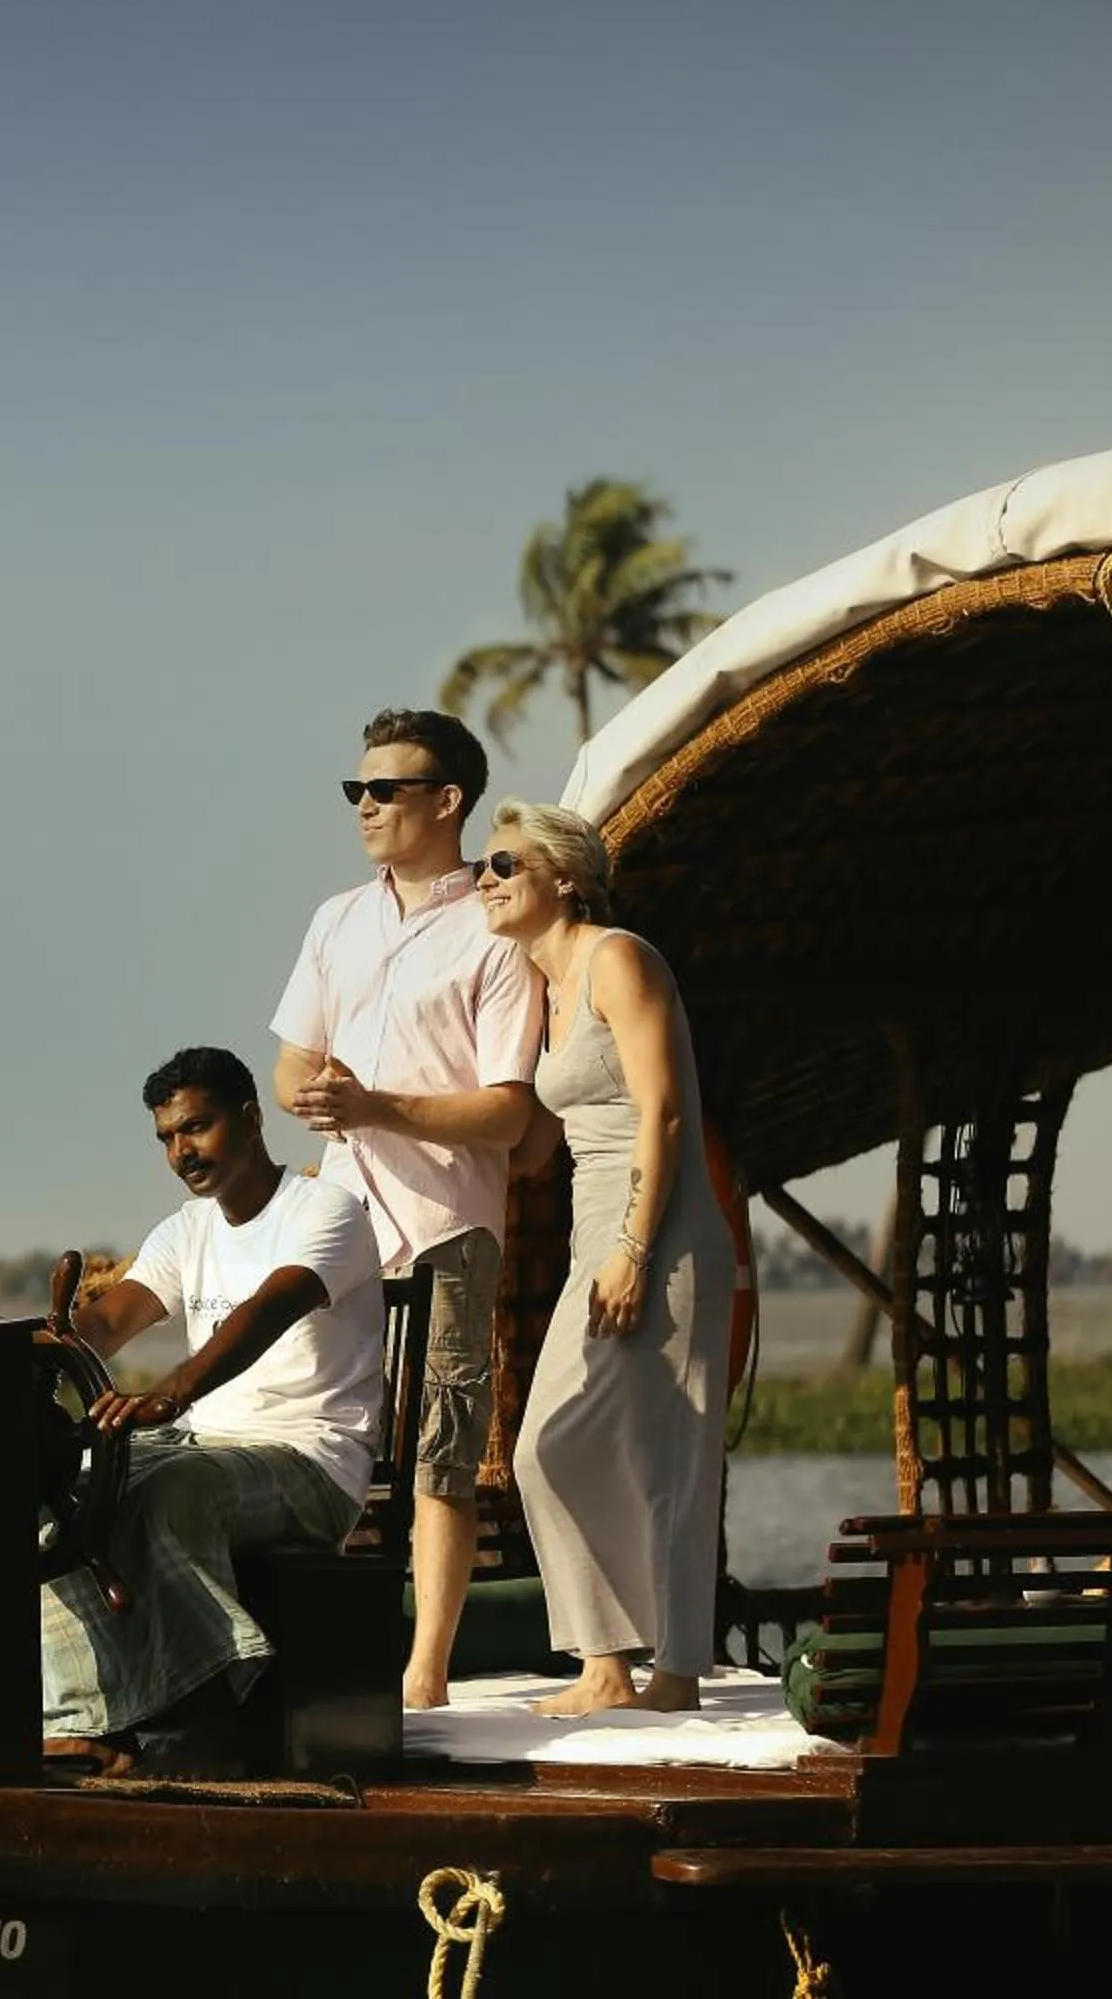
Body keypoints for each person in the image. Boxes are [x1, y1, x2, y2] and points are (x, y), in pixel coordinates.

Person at [270, 709, 544, 1710]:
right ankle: (317, 1655)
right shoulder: (335, 918)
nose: (365, 805)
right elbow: (292, 1058)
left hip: (446, 1228)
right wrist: (309, 1091)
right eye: (356, 789)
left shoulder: (498, 926)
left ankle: (424, 1671)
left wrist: (378, 1103)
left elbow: (511, 1112)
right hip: (338, 1225)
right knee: (319, 1433)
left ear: (447, 800)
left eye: (383, 789)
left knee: (441, 1447)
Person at [37, 1045, 386, 1779]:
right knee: (56, 1494)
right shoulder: (182, 1231)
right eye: (166, 1137)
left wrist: (173, 1393)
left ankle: (204, 1714)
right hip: (207, 1444)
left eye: (196, 1128)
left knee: (172, 1492)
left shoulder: (328, 1210)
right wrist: (36, 1346)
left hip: (312, 1462)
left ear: (253, 1118)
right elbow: (103, 1326)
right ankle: (83, 1722)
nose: (180, 1152)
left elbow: (269, 1308)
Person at [477, 799, 733, 1716]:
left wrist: (631, 1247)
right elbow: (537, 1143)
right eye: (484, 867)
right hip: (601, 1236)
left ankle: (674, 1674)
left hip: (660, 1233)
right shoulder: (538, 990)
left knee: (667, 1452)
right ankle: (607, 1659)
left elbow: (662, 1112)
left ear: (566, 879)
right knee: (550, 1444)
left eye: (506, 864)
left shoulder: (619, 958)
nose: (486, 880)